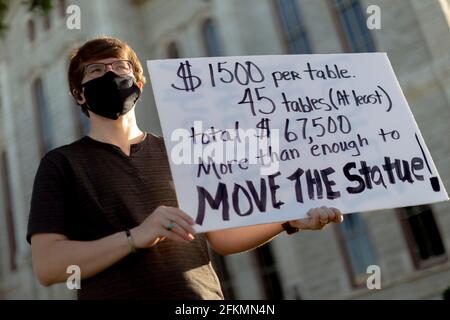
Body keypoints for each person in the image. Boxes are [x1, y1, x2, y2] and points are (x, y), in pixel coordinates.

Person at [27, 36, 344, 300]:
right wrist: (135, 237)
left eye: (119, 67)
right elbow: (49, 266)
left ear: (138, 83)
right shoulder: (61, 164)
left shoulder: (184, 150)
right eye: (95, 70)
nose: (110, 75)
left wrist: (288, 221)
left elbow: (221, 237)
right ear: (79, 94)